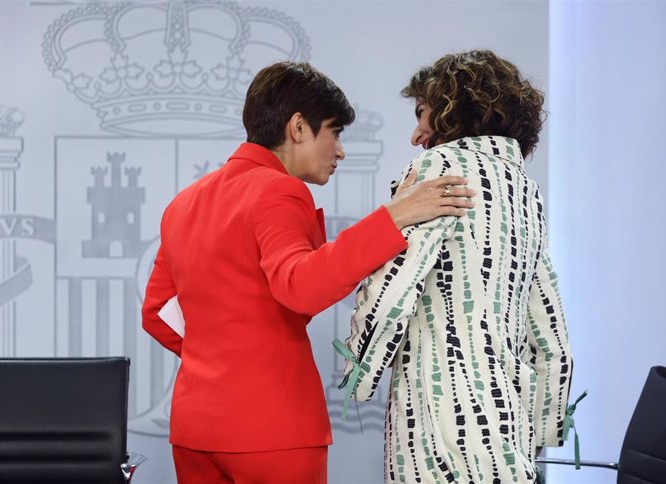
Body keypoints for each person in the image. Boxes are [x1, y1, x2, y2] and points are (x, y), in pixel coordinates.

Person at [141, 61, 475, 484]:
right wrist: (394, 216)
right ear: (298, 127)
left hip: (194, 429)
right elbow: (300, 286)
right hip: (272, 430)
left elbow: (156, 313)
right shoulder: (278, 188)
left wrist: (219, 359)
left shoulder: (184, 203)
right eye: (335, 132)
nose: (340, 150)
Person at [339, 50, 573, 483]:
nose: (415, 135)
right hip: (504, 417)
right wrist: (543, 422)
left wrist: (360, 368)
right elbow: (549, 321)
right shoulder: (524, 189)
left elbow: (396, 284)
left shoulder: (439, 169)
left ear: (452, 110)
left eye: (423, 114)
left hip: (439, 414)